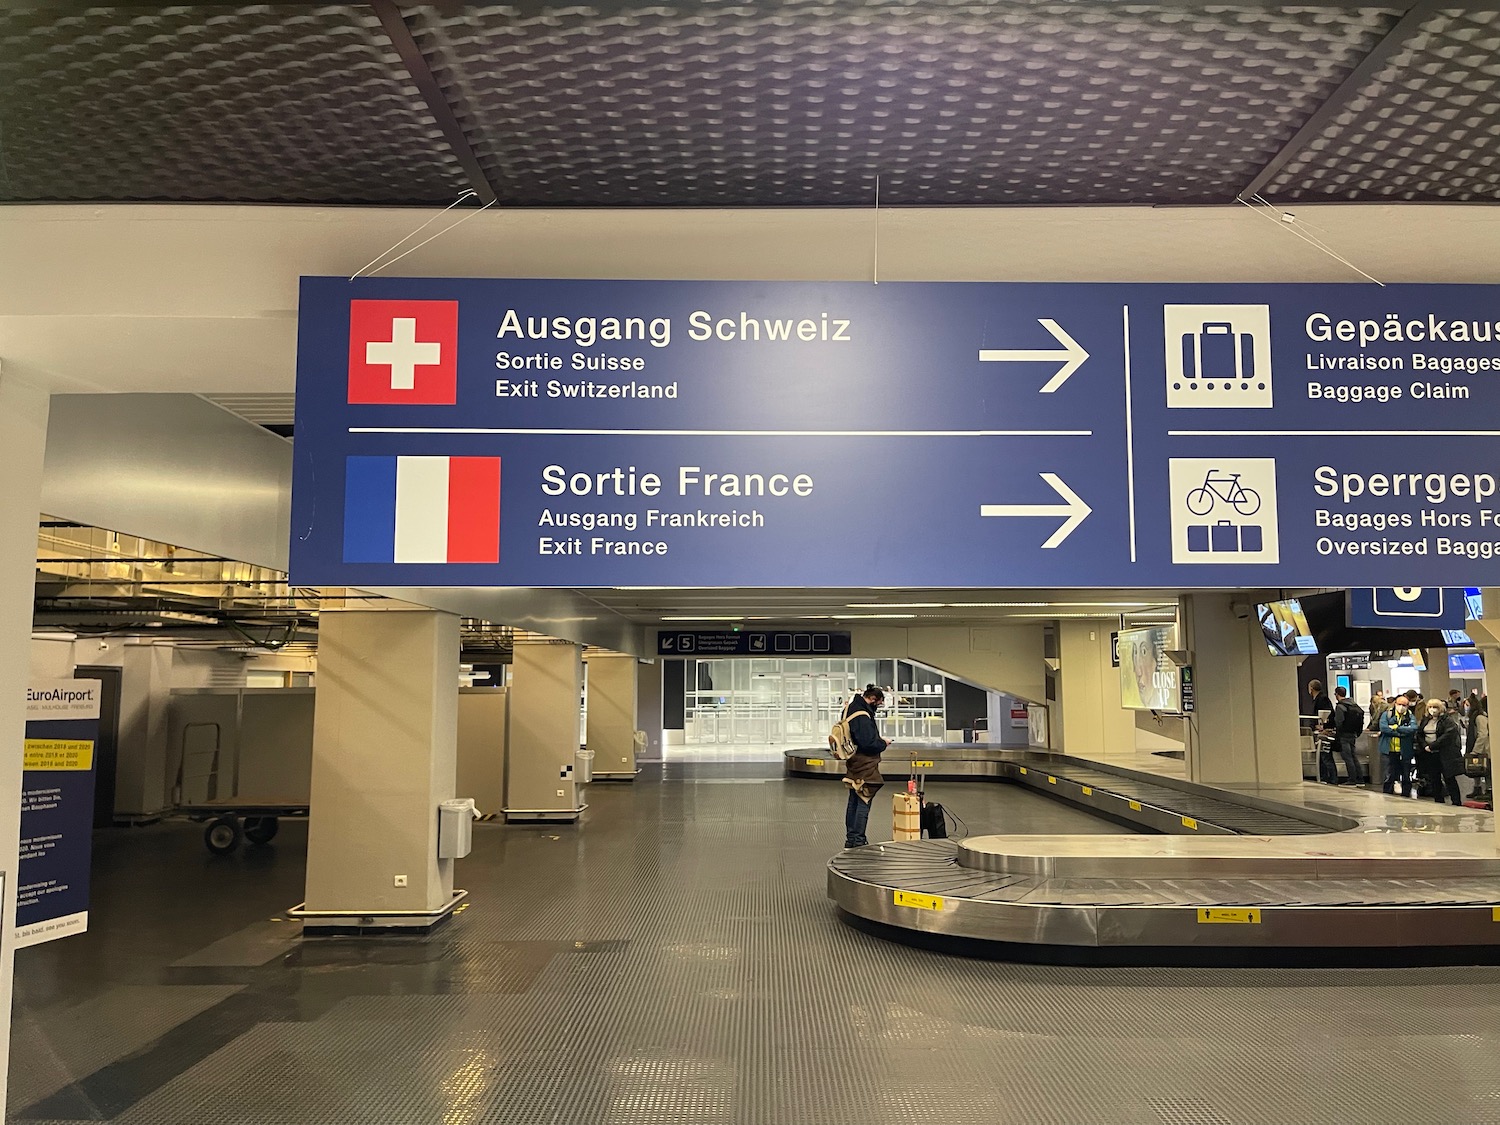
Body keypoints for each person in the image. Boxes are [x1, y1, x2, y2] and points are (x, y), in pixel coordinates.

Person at [841, 685, 892, 849]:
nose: (878, 707)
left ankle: (851, 838)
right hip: (865, 763)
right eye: (878, 703)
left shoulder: (851, 708)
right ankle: (858, 839)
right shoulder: (863, 716)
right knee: (864, 797)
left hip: (853, 761)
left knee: (853, 800)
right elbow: (868, 743)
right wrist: (882, 743)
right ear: (872, 700)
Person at [1414, 697, 1464, 805]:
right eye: (1430, 707)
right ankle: (1438, 801)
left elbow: (1448, 735)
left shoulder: (1447, 720)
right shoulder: (1426, 720)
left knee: (1449, 778)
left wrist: (1433, 745)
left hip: (1444, 753)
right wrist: (1425, 746)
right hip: (1429, 754)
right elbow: (1419, 734)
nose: (1433, 709)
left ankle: (1456, 802)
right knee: (1434, 779)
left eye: (1435, 707)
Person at [1379, 695, 1418, 796]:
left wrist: (1396, 728)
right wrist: (1401, 733)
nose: (1401, 707)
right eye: (1399, 704)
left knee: (1406, 775)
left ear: (1407, 706)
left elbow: (1413, 729)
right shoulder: (1387, 715)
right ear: (1395, 704)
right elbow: (1384, 728)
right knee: (1389, 775)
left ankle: (1406, 795)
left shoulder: (1410, 716)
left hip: (1404, 750)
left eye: (1404, 705)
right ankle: (1387, 795)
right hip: (1389, 750)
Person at [1327, 686, 1364, 785]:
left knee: (1347, 757)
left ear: (1337, 694)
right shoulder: (1354, 705)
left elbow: (1339, 722)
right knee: (1353, 756)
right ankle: (1360, 779)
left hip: (1344, 735)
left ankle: (1352, 780)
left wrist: (1336, 733)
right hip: (1353, 734)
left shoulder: (1340, 706)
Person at [1306, 680, 1335, 782]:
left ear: (1311, 688)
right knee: (1322, 757)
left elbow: (1328, 714)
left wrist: (1324, 726)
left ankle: (1331, 779)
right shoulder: (1319, 699)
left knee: (1326, 756)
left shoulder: (1322, 699)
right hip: (1320, 731)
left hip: (1323, 732)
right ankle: (1324, 777)